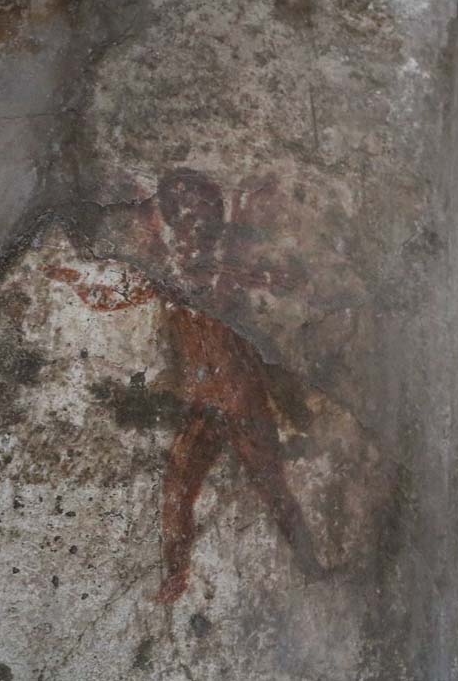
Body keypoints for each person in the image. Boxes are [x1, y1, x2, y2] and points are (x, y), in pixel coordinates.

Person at [42, 168, 324, 603]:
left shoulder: (224, 267)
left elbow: (278, 280)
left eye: (199, 213)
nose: (191, 224)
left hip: (241, 397)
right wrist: (71, 277)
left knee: (273, 488)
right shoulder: (169, 275)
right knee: (176, 491)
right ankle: (176, 579)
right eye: (181, 215)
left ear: (211, 218)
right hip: (201, 403)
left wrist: (275, 264)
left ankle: (310, 567)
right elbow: (112, 296)